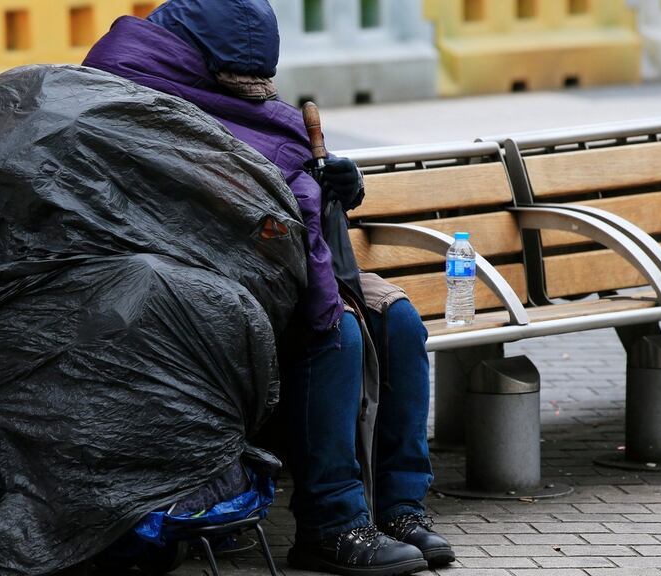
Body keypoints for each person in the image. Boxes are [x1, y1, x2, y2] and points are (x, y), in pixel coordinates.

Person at [83, 2, 455, 575]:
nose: (258, 96)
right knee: (334, 333)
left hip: (261, 266)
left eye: (263, 85)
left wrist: (336, 189)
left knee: (398, 320)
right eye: (241, 83)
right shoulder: (127, 86)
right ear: (200, 59)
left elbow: (271, 166)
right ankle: (332, 525)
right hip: (181, 287)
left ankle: (400, 507)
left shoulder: (215, 89)